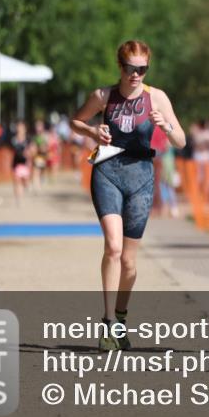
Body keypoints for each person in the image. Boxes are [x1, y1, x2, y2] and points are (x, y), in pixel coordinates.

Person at [71, 40, 186, 351]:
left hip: (141, 177)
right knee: (113, 246)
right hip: (107, 170)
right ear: (120, 67)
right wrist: (92, 132)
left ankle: (121, 317)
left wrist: (166, 125)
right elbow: (75, 121)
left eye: (143, 69)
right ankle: (108, 323)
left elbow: (180, 140)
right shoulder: (103, 96)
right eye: (131, 69)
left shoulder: (157, 97)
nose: (137, 75)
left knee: (129, 261)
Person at [10, 121, 31, 207]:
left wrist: (28, 153)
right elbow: (11, 150)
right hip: (16, 164)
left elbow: (32, 149)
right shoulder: (14, 139)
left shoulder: (28, 139)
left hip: (25, 164)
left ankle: (25, 187)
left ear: (25, 129)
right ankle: (18, 199)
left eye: (21, 127)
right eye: (18, 127)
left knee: (25, 181)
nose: (20, 129)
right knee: (17, 182)